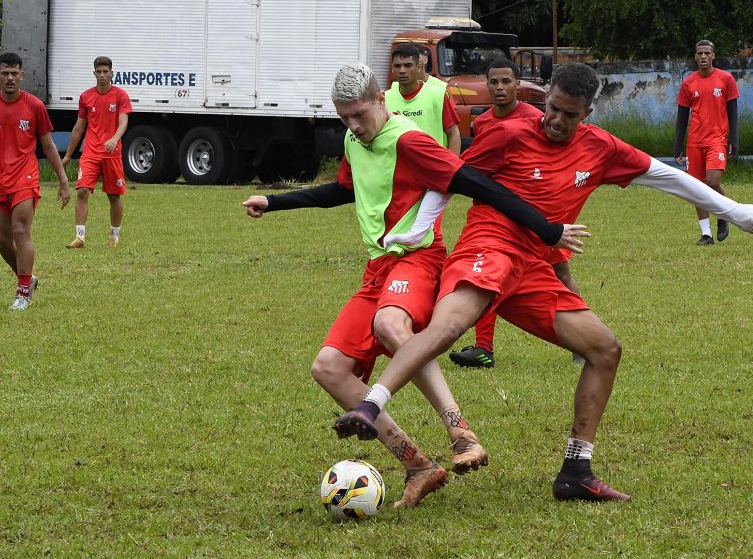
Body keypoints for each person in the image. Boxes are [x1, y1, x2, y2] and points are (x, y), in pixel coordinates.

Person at [333, 63, 753, 503]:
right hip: (489, 245)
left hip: (534, 268)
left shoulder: (600, 148)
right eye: (552, 108)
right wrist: (417, 228)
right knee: (449, 328)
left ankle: (576, 471)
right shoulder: (509, 134)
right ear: (545, 98)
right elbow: (450, 177)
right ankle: (371, 405)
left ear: (587, 112)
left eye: (570, 114)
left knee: (604, 349)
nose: (556, 121)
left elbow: (666, 176)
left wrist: (736, 211)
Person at [242, 62, 584, 508]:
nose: (354, 126)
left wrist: (545, 228)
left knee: (390, 325)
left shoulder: (410, 141)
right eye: (344, 118)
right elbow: (346, 189)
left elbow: (474, 181)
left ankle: (461, 434)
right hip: (377, 269)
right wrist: (275, 202)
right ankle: (418, 464)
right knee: (328, 368)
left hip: (419, 259)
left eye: (360, 114)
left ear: (381, 100)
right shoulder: (353, 138)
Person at [450, 58, 579, 370]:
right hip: (496, 216)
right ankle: (483, 348)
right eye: (493, 82)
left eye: (506, 81)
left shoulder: (536, 118)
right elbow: (479, 167)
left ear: (517, 85)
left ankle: (581, 340)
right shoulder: (482, 122)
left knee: (561, 274)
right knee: (490, 276)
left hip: (535, 216)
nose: (499, 88)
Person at [0, 52, 71, 311]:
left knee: (19, 230)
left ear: (21, 76)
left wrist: (63, 180)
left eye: (14, 73)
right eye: (4, 73)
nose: (9, 78)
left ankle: (23, 292)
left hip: (25, 178)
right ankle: (28, 278)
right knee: (0, 239)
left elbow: (49, 147)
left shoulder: (34, 105)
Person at [61, 56, 133, 249]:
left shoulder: (120, 95)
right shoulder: (86, 97)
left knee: (114, 196)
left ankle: (114, 236)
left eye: (105, 72)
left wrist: (114, 138)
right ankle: (80, 237)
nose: (102, 75)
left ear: (111, 73)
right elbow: (79, 127)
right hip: (91, 153)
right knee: (82, 191)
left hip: (112, 154)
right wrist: (68, 155)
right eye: (98, 72)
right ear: (94, 73)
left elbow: (123, 122)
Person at [674, 40, 740, 246]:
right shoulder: (688, 83)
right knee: (696, 188)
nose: (703, 56)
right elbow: (682, 117)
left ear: (713, 56)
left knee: (712, 182)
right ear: (695, 57)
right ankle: (706, 235)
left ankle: (722, 216)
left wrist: (734, 140)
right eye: (699, 53)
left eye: (707, 53)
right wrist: (678, 146)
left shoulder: (726, 79)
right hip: (694, 142)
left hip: (717, 140)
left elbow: (733, 112)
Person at [385, 43, 461, 156]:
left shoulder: (438, 94)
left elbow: (454, 133)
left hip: (431, 167)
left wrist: (453, 168)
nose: (402, 70)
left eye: (408, 65)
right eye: (397, 66)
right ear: (392, 69)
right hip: (397, 169)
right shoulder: (385, 99)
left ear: (419, 67)